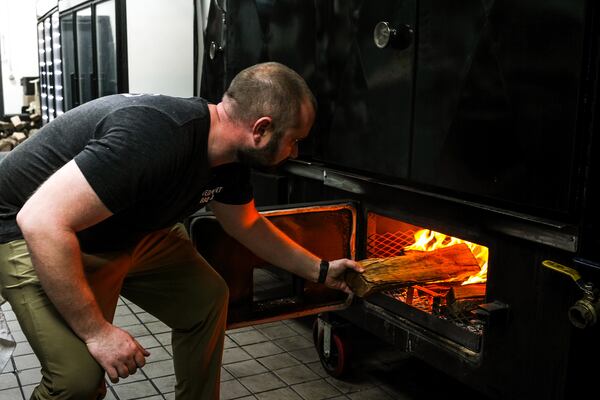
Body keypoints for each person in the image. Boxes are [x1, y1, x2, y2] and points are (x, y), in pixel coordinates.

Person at [0, 62, 362, 399]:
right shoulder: (156, 137)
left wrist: (322, 270)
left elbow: (248, 224)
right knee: (77, 381)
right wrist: (97, 333)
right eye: (294, 140)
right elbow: (40, 221)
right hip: (31, 230)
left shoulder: (230, 159)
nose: (295, 152)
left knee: (205, 299)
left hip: (125, 227)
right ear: (261, 129)